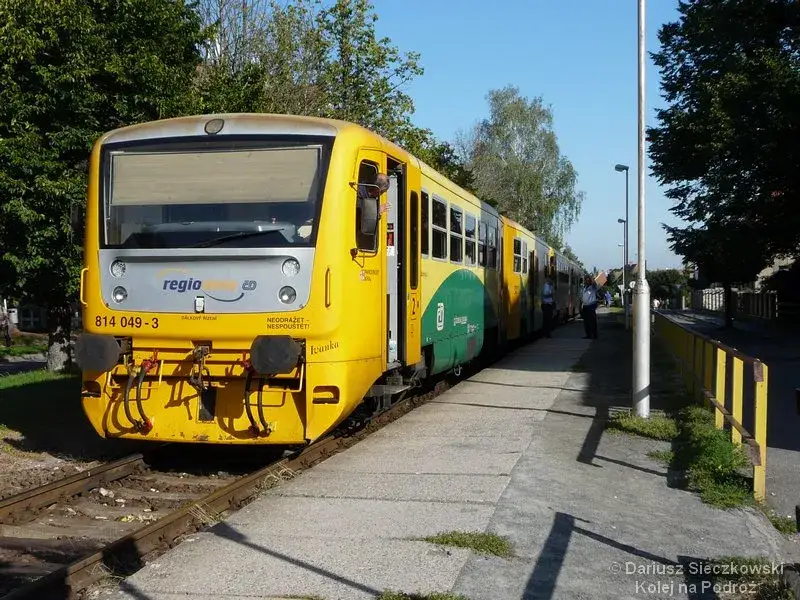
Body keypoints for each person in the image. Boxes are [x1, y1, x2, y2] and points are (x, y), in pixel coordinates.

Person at [580, 275, 600, 340]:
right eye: (586, 280)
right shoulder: (584, 288)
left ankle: (594, 334)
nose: (587, 281)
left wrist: (592, 278)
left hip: (591, 305)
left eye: (588, 280)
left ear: (590, 281)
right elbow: (582, 297)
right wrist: (581, 305)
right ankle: (588, 335)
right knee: (586, 322)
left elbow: (595, 283)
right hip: (585, 306)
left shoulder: (593, 287)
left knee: (592, 321)